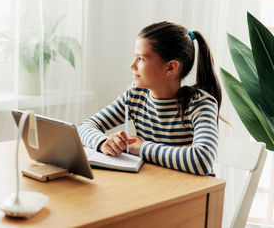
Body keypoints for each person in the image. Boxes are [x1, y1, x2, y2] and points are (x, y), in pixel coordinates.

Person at [78, 21, 222, 176]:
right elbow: (84, 127)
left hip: (193, 194)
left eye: (141, 59)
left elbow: (202, 161)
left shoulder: (200, 105)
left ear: (170, 67)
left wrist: (140, 148)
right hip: (154, 184)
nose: (132, 65)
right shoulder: (135, 96)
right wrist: (103, 143)